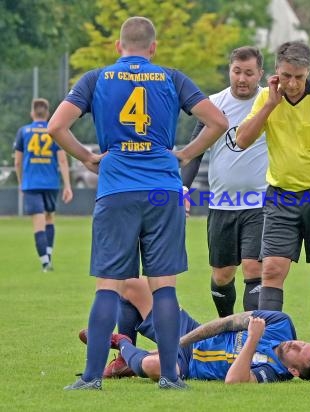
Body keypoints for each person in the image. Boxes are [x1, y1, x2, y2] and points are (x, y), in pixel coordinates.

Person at [47, 16, 228, 390]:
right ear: (153, 48)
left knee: (108, 286)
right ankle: (169, 376)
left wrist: (85, 157)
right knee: (163, 286)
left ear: (118, 47)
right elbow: (218, 121)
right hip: (162, 189)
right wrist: (185, 153)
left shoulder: (96, 78)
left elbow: (56, 126)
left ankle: (92, 377)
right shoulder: (171, 77)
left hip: (116, 190)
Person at [235, 41, 310, 350]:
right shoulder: (266, 98)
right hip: (281, 196)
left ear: (308, 73)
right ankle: (266, 348)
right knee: (272, 270)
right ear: (276, 72)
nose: (291, 84)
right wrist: (269, 106)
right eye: (286, 75)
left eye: (299, 77)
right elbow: (242, 140)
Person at [181, 46, 267, 317]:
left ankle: (251, 341)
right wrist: (183, 189)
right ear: (229, 70)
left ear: (260, 74)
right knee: (222, 275)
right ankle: (226, 326)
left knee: (254, 268)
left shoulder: (270, 101)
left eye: (249, 73)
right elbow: (194, 152)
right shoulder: (214, 104)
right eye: (237, 71)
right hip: (222, 204)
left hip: (261, 202)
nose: (242, 78)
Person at [78, 297, 310, 383]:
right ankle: (127, 360)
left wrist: (253, 339)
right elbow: (226, 322)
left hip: (190, 367)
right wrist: (183, 339)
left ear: (294, 371)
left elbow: (233, 380)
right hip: (191, 334)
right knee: (133, 287)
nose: (296, 343)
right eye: (304, 342)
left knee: (157, 367)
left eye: (300, 351)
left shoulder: (274, 373)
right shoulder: (281, 324)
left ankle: (123, 342)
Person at [13, 98, 73, 272]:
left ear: (32, 112)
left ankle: (45, 262)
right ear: (47, 113)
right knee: (49, 218)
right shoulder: (54, 130)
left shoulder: (23, 131)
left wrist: (20, 182)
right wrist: (67, 185)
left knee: (38, 222)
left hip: (31, 184)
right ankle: (48, 256)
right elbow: (62, 160)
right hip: (51, 183)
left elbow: (17, 162)